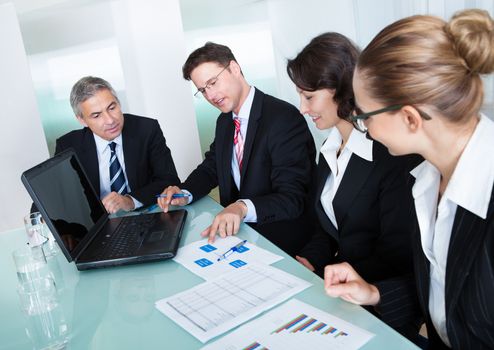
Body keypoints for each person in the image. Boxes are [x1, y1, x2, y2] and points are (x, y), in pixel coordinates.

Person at [325, 9, 494, 349]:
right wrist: (374, 293)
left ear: (410, 119)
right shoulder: (425, 178)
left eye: (365, 115)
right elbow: (444, 290)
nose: (363, 127)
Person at [286, 32, 421, 336]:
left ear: (339, 89)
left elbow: (397, 254)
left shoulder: (391, 155)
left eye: (309, 97)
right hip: (342, 291)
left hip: (384, 301)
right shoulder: (329, 147)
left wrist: (327, 277)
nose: (302, 108)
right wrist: (309, 261)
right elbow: (328, 229)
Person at [158, 42, 316, 256]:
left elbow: (292, 198)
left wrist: (241, 207)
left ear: (234, 68)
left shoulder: (283, 119)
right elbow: (212, 167)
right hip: (239, 239)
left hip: (281, 243)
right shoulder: (225, 121)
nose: (211, 96)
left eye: (213, 82)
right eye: (203, 90)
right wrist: (184, 193)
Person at [56, 76, 180, 214]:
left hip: (146, 214)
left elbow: (169, 180)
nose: (110, 120)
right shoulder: (68, 146)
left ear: (119, 103)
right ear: (82, 120)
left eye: (112, 108)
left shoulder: (146, 129)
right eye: (96, 115)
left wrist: (130, 200)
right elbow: (54, 196)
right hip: (99, 226)